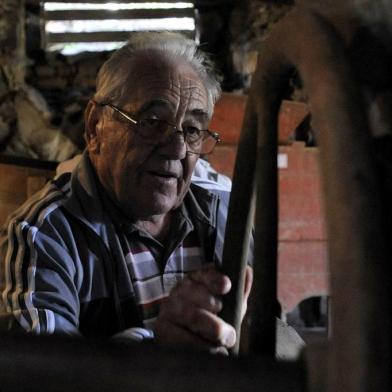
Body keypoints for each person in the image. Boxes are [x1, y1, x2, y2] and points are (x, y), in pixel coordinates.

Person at [0, 32, 253, 352]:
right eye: (152, 121)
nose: (176, 149)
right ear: (95, 127)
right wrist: (157, 352)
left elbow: (267, 334)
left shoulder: (223, 211)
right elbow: (41, 376)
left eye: (191, 130)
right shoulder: (42, 234)